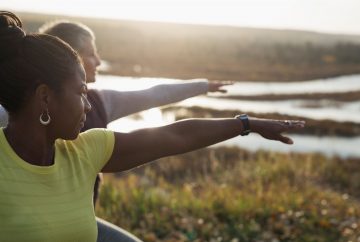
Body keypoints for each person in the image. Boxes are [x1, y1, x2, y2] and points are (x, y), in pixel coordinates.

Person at [0, 11, 305, 242]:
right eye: (81, 93)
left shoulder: (85, 150)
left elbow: (174, 136)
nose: (89, 105)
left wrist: (245, 123)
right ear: (44, 97)